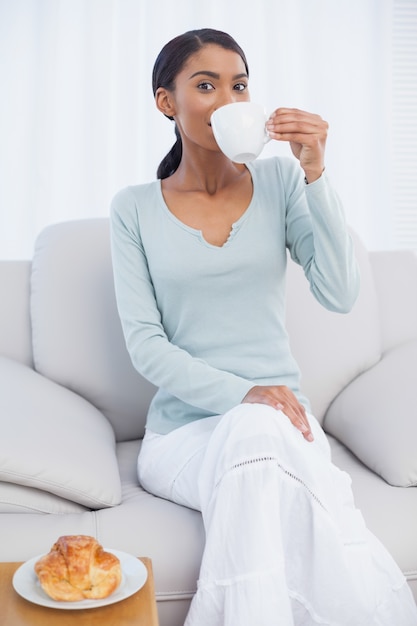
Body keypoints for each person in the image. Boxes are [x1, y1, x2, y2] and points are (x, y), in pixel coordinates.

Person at [110, 28, 417, 626]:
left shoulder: (279, 184)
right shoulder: (134, 208)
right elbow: (147, 348)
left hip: (285, 427)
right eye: (206, 85)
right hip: (182, 438)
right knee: (255, 431)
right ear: (165, 102)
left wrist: (316, 173)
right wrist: (246, 394)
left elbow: (339, 289)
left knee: (258, 440)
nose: (229, 99)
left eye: (239, 85)